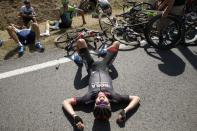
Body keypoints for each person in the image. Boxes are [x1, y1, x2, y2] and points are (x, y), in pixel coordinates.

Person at [62, 39, 140, 130]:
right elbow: (136, 98)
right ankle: (105, 52)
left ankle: (80, 58)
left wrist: (74, 116)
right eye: (105, 102)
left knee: (80, 41)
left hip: (91, 66)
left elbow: (65, 102)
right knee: (117, 43)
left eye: (98, 102)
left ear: (94, 105)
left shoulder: (87, 99)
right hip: (105, 65)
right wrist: (125, 111)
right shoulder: (115, 97)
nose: (101, 99)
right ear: (109, 105)